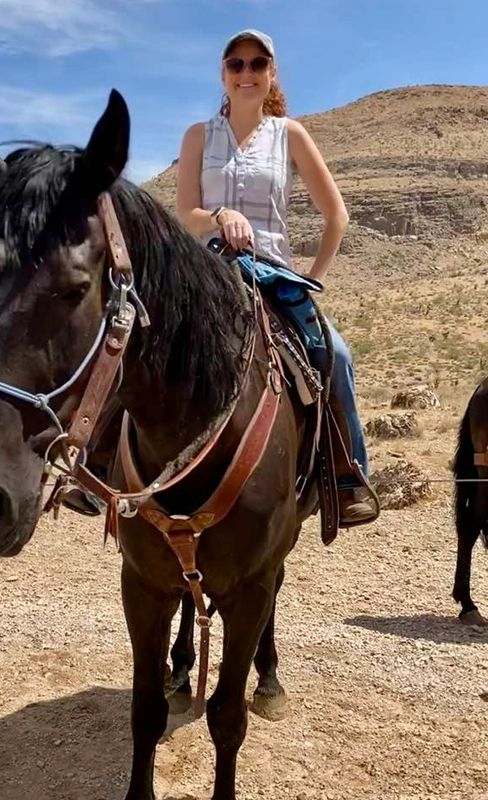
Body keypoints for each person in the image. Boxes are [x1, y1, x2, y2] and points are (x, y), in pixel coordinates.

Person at [175, 29, 376, 525]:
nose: (246, 73)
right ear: (223, 74)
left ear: (271, 74)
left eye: (257, 64)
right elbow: (184, 214)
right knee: (135, 334)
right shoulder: (198, 136)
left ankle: (347, 477)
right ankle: (94, 470)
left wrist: (311, 276)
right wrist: (220, 215)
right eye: (236, 64)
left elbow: (337, 216)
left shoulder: (290, 134)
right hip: (207, 271)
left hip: (272, 274)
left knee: (337, 355)